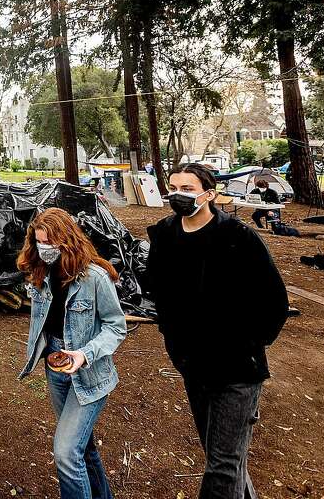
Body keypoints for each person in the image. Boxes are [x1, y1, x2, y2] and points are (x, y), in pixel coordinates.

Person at [145, 163, 288, 499]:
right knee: (223, 458)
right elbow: (157, 291)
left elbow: (274, 302)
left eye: (188, 189)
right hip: (193, 365)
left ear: (209, 195)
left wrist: (248, 345)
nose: (178, 194)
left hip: (237, 369)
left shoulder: (238, 238)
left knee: (222, 467)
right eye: (173, 187)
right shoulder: (164, 236)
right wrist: (174, 340)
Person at [17, 208, 127, 499]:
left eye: (50, 244)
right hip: (55, 365)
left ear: (67, 241)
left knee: (66, 452)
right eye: (39, 243)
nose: (44, 250)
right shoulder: (41, 272)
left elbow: (116, 328)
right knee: (83, 446)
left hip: (90, 372)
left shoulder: (95, 278)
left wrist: (85, 353)